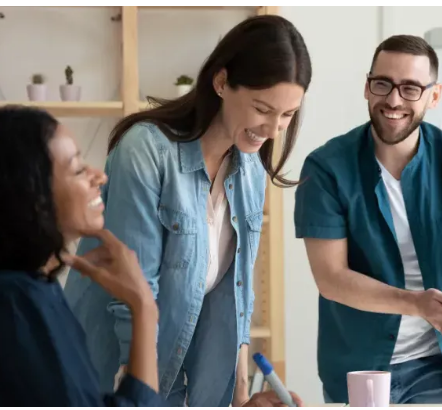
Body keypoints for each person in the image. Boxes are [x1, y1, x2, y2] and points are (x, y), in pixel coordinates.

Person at [62, 15, 310, 407]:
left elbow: (236, 297)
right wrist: (140, 398)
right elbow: (132, 297)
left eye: (288, 114)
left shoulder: (250, 170)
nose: (273, 129)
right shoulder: (145, 152)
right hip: (112, 379)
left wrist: (240, 397)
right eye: (263, 108)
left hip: (177, 381)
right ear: (222, 82)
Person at [294, 35, 442, 405]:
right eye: (383, 84)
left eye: (410, 88)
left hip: (441, 364)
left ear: (433, 97)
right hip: (357, 365)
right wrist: (416, 303)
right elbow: (331, 279)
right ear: (367, 87)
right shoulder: (326, 168)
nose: (393, 100)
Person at [0, 106, 164, 406]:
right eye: (78, 169)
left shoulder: (17, 292)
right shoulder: (11, 301)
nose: (100, 177)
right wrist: (144, 307)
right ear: (30, 196)